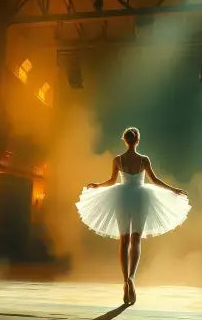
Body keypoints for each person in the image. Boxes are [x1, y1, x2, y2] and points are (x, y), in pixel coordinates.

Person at [75, 127, 190, 305]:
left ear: (125, 140)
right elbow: (155, 180)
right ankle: (132, 278)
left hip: (121, 197)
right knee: (136, 239)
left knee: (124, 240)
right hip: (141, 198)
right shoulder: (144, 160)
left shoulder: (118, 160)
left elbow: (112, 181)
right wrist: (173, 189)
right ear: (137, 141)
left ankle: (124, 281)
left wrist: (97, 185)